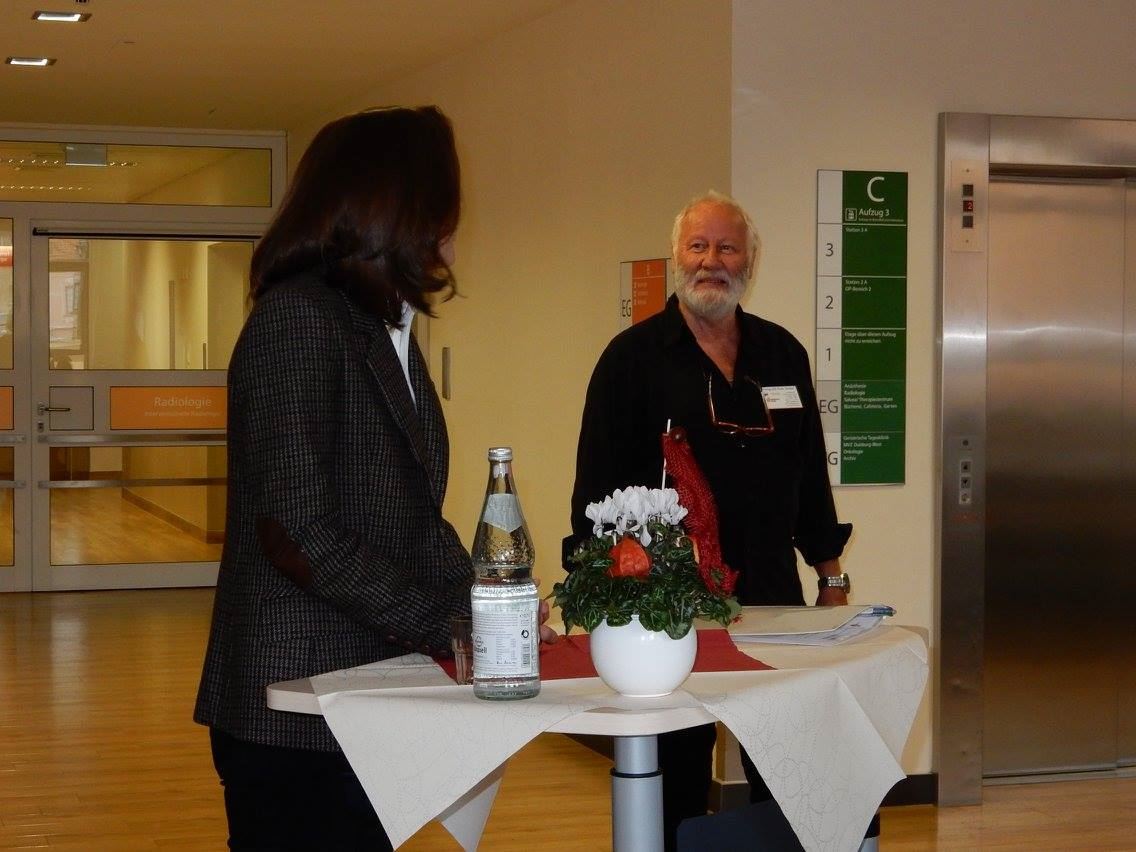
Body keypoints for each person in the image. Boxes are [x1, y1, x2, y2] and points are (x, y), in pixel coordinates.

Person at [194, 106, 552, 851]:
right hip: (295, 706)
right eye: (445, 202)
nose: (455, 225)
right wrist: (447, 625)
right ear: (400, 207)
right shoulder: (297, 319)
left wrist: (487, 609)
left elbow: (407, 516)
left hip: (360, 694)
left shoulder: (383, 328)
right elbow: (297, 533)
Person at [566, 190, 852, 850]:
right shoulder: (631, 359)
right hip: (668, 605)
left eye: (727, 247)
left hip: (773, 597)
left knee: (787, 766)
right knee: (675, 774)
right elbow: (594, 488)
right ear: (677, 256)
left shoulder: (781, 354)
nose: (711, 261)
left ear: (749, 261)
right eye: (698, 246)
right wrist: (600, 593)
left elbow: (809, 475)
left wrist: (832, 576)